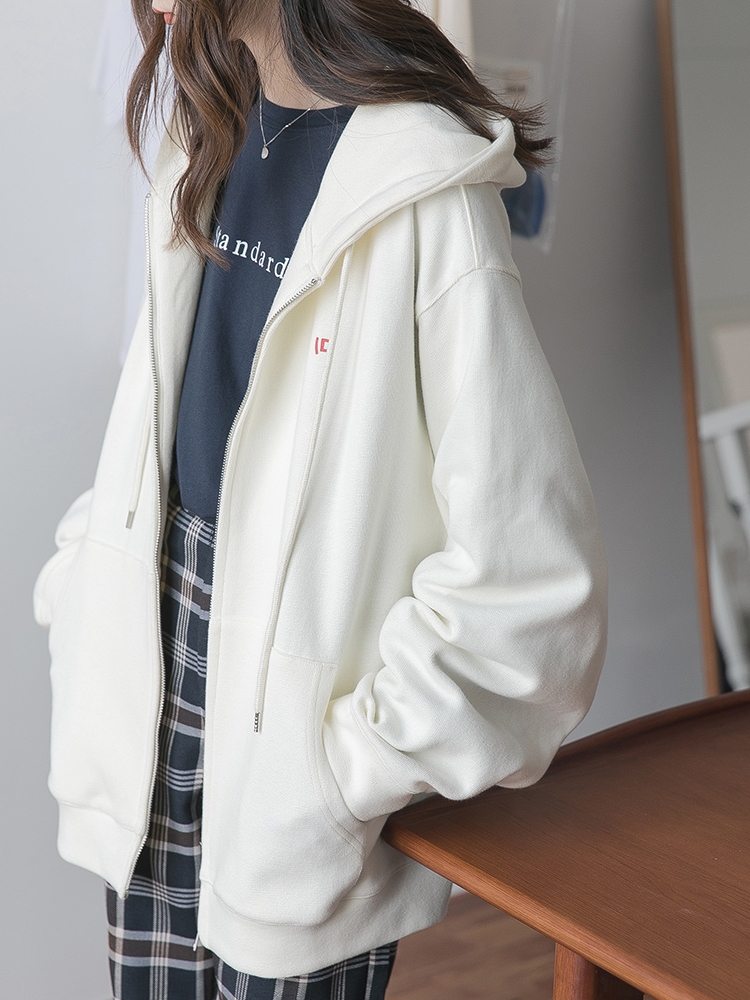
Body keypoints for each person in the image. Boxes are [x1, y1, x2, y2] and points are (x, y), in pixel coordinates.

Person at [33, 1, 608, 997]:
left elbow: (535, 584)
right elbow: (154, 435)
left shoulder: (421, 187)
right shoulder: (206, 132)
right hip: (148, 708)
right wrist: (82, 596)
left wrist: (342, 773)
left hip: (288, 761)